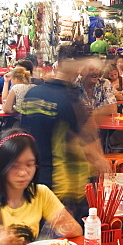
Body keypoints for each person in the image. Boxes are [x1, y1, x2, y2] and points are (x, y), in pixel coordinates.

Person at [18, 48, 108, 221]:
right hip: (64, 184)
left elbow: (23, 134)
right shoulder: (70, 100)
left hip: (33, 177)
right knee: (71, 237)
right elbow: (84, 142)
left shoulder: (32, 94)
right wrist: (100, 161)